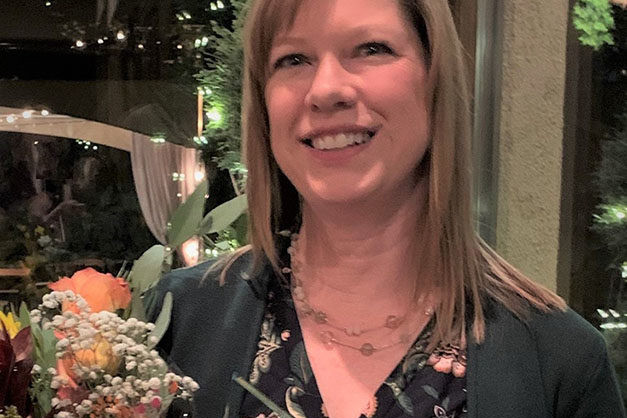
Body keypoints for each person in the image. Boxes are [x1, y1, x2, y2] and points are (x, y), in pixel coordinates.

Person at [145, 0, 626, 417]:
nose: (326, 89)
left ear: (435, 82)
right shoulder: (178, 320)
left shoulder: (560, 359)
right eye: (293, 59)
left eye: (371, 49)